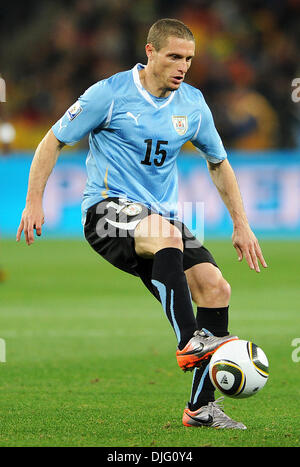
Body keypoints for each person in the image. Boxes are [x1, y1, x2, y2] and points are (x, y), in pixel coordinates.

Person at [16, 18, 267, 429]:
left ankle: (201, 408)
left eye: (188, 58)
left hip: (159, 219)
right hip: (105, 213)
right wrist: (33, 201)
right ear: (149, 53)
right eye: (173, 57)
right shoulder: (110, 94)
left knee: (216, 287)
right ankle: (190, 341)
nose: (182, 66)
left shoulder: (192, 103)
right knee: (166, 236)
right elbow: (53, 140)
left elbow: (218, 162)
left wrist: (242, 224)